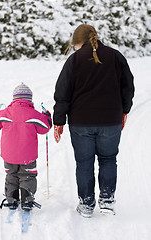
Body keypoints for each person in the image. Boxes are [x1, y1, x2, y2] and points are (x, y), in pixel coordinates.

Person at [53, 24, 134, 217]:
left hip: (81, 122)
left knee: (84, 162)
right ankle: (106, 201)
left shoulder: (75, 60)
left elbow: (62, 92)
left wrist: (59, 121)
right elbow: (128, 87)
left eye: (75, 46)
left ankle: (86, 205)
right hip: (110, 120)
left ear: (78, 42)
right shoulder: (116, 56)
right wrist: (124, 111)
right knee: (108, 159)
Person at [0, 83, 52, 210]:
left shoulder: (5, 113)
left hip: (9, 155)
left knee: (11, 175)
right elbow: (45, 127)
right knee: (28, 175)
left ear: (14, 99)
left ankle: (11, 199)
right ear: (30, 99)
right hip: (28, 156)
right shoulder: (34, 114)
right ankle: (27, 199)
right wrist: (47, 116)